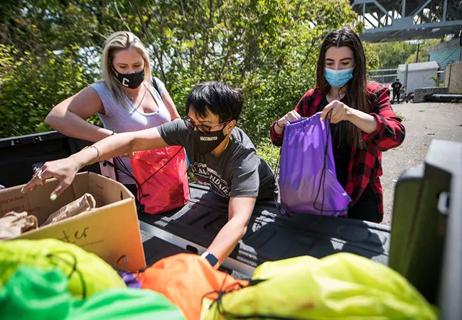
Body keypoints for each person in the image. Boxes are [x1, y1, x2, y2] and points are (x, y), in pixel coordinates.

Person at [23, 81, 277, 267]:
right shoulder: (186, 130)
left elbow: (238, 221)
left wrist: (205, 264)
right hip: (219, 193)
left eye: (206, 126)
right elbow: (131, 141)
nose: (195, 131)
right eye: (192, 123)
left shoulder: (243, 158)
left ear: (229, 125)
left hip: (262, 203)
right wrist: (76, 160)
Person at [270, 28, 405, 223]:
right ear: (321, 64)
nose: (336, 69)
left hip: (360, 200)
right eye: (330, 63)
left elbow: (395, 135)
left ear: (356, 63)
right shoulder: (312, 99)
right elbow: (277, 138)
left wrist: (350, 114)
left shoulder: (373, 95)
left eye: (345, 63)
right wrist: (281, 125)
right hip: (315, 198)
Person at [44, 31, 180, 196]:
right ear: (111, 66)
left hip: (169, 176)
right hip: (132, 184)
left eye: (137, 65)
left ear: (145, 62)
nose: (131, 72)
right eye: (123, 66)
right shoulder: (103, 91)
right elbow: (56, 117)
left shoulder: (155, 85)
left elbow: (176, 121)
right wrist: (112, 139)